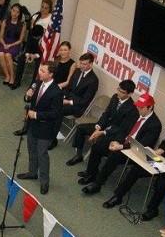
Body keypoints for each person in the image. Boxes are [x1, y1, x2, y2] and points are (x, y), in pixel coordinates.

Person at [105, 113, 165, 209]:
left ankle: (152, 210)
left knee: (161, 183)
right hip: (160, 161)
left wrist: (161, 155)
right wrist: (161, 149)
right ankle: (118, 196)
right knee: (135, 169)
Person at [82, 93, 163, 195]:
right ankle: (91, 173)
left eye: (141, 108)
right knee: (98, 145)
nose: (138, 109)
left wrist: (121, 146)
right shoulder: (135, 113)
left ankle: (98, 183)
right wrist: (116, 141)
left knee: (114, 156)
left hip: (134, 150)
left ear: (150, 107)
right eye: (138, 106)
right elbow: (123, 129)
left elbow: (141, 145)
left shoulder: (155, 125)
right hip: (122, 141)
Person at [17, 62, 64, 194]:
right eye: (40, 70)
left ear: (51, 74)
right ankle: (32, 172)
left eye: (43, 71)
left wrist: (37, 115)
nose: (40, 73)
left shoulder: (56, 92)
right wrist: (27, 96)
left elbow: (55, 113)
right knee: (31, 149)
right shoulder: (37, 83)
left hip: (45, 128)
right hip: (32, 125)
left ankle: (44, 182)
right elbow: (30, 100)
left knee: (42, 154)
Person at [66, 79, 137, 166]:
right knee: (81, 128)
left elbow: (121, 128)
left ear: (129, 94)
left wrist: (103, 132)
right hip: (104, 126)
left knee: (98, 144)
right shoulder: (115, 97)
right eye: (118, 89)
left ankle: (92, 170)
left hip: (113, 133)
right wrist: (98, 127)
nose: (118, 92)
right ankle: (78, 155)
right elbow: (106, 114)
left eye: (122, 92)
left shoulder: (132, 109)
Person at [61, 52, 100, 119]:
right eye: (80, 63)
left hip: (77, 106)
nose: (81, 66)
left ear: (90, 64)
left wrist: (68, 102)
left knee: (57, 108)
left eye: (84, 64)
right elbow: (68, 87)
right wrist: (62, 96)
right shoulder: (77, 71)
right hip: (67, 99)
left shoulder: (93, 80)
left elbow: (85, 100)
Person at [0, 3, 26, 87]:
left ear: (19, 14)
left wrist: (10, 45)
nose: (15, 13)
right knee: (1, 54)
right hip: (4, 42)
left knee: (8, 55)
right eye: (13, 11)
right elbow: (1, 36)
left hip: (15, 44)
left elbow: (20, 40)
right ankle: (7, 76)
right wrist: (4, 44)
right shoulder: (5, 21)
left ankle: (12, 77)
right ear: (11, 11)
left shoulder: (22, 24)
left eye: (17, 12)